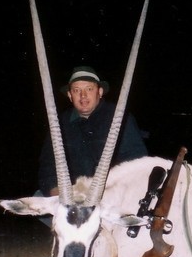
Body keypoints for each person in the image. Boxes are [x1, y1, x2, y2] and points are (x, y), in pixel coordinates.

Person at [37, 65, 148, 197]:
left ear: (99, 92)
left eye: (89, 89)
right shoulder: (59, 124)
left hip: (112, 194)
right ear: (69, 95)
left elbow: (137, 161)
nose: (83, 95)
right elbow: (47, 165)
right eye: (76, 90)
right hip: (70, 195)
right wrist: (55, 192)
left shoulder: (120, 118)